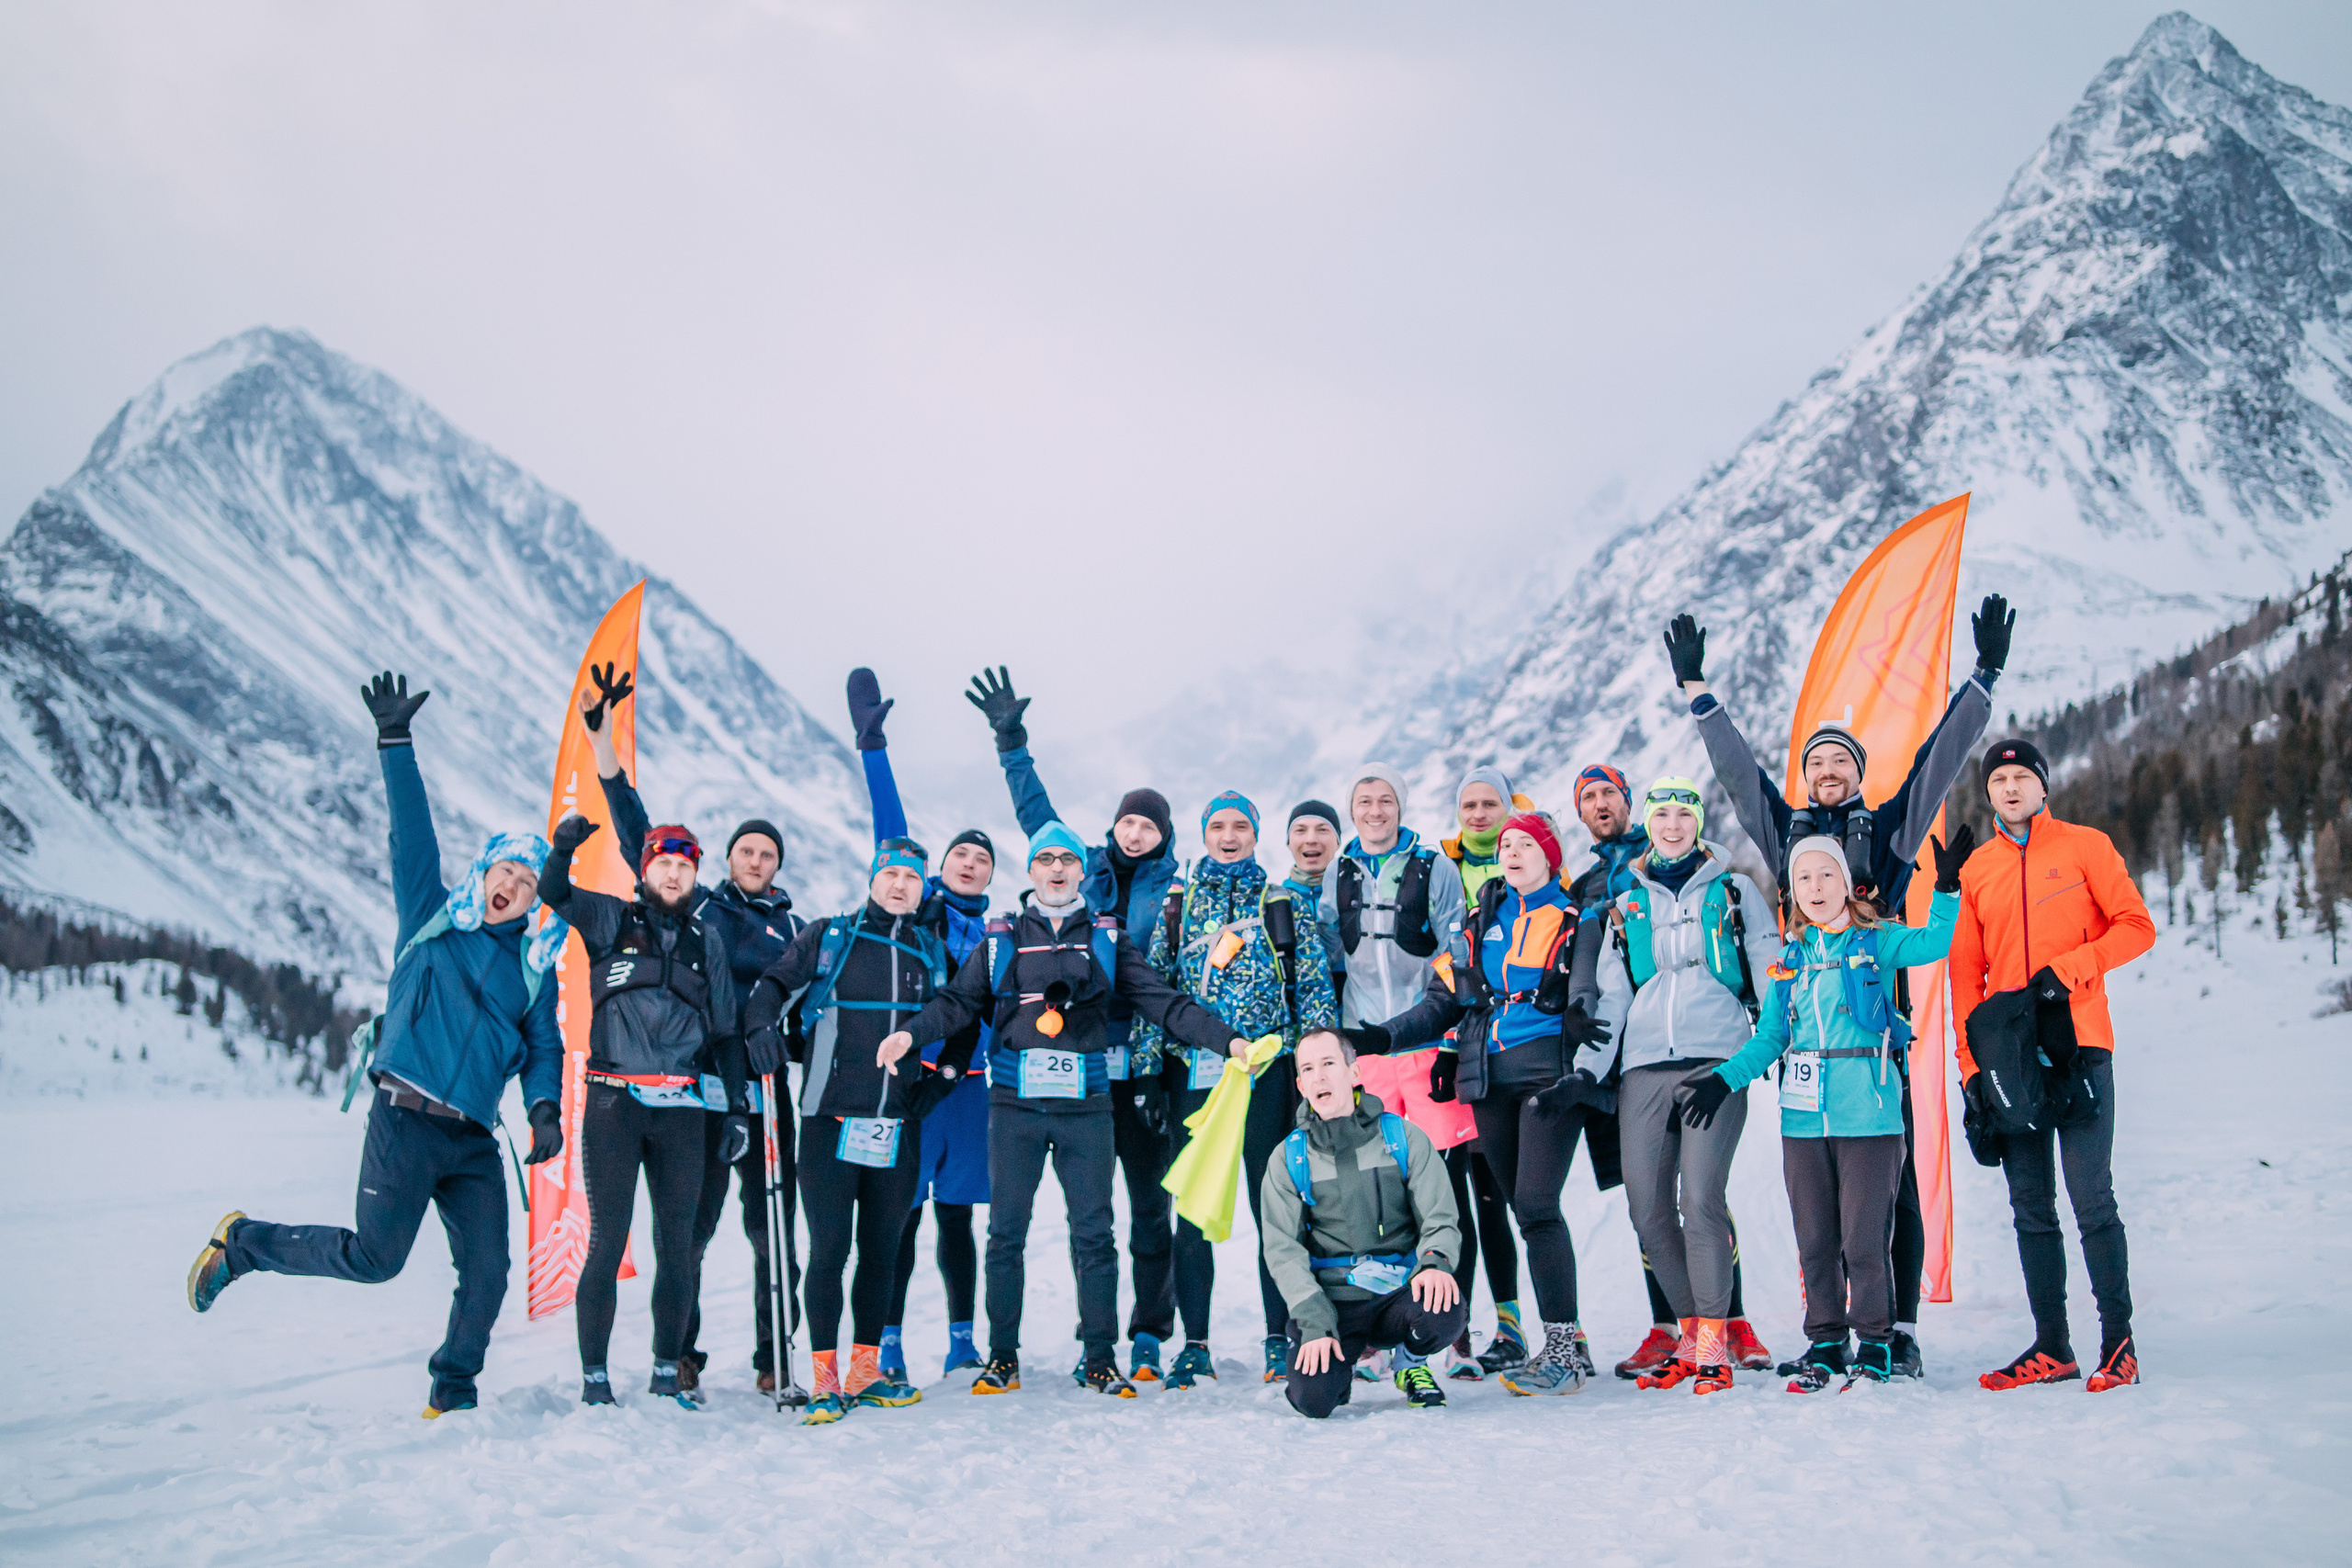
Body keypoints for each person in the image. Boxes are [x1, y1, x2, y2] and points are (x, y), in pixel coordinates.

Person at [186, 672, 566, 1421]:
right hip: (404, 1117)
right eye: (505, 871)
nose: (512, 887)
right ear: (484, 871)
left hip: (472, 1140)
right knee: (375, 1258)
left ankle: (452, 1389)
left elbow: (542, 1044)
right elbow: (411, 834)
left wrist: (545, 1106)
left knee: (487, 1273)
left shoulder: (534, 965)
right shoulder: (430, 918)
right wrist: (396, 741)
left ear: (533, 898)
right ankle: (243, 1244)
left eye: (526, 882)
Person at [1665, 594, 2013, 1378]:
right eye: (1816, 764)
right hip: (1805, 1023)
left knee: (1891, 1192)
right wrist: (1698, 692)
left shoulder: (1887, 828)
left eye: (1840, 765)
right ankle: (1832, 1328)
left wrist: (1983, 676)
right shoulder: (1784, 830)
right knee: (1822, 1208)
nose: (1826, 774)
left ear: (1857, 775)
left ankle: (1896, 1328)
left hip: (1875, 1017)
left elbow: (1940, 759)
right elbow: (1736, 770)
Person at [877, 821, 1249, 1398]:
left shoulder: (1107, 938)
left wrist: (1227, 1041)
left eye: (1066, 860)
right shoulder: (1001, 937)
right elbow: (956, 1002)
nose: (1055, 869)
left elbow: (1162, 1002)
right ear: (1030, 871)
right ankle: (1003, 1359)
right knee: (1005, 1235)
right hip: (1016, 1105)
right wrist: (909, 1034)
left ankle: (1099, 1359)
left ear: (1082, 871)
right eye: (1044, 859)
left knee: (1094, 1235)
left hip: (1086, 1109)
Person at [577, 663, 805, 1396]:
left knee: (765, 1229)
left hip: (756, 1085)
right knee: (691, 1232)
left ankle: (774, 1355)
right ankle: (682, 1354)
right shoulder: (696, 907)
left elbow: (805, 999)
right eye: (747, 851)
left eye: (769, 855)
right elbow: (636, 831)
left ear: (777, 870)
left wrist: (791, 1042)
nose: (758, 861)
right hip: (686, 1085)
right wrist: (602, 742)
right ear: (729, 860)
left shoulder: (793, 929)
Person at [1683, 829, 1968, 1391]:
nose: (1815, 887)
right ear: (1792, 892)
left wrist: (1948, 887)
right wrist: (1723, 1080)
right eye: (1803, 879)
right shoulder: (1789, 961)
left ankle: (1877, 1342)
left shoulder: (1877, 940)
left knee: (1863, 1239)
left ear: (1846, 884)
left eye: (1825, 876)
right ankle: (1827, 1342)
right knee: (1815, 1238)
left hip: (1870, 1113)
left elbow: (1935, 943)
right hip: (1804, 1120)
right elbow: (1769, 1039)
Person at [967, 666, 1181, 1382]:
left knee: (1141, 1209)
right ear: (1115, 826)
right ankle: (1012, 1350)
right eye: (1129, 820)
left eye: (1151, 824)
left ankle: (1144, 1335)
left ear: (1164, 835)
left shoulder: (1172, 890)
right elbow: (1037, 818)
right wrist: (1012, 745)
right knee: (1025, 1225)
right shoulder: (1080, 867)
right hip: (1070, 1059)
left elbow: (1165, 986)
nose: (1138, 832)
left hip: (1138, 1062)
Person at [1357, 811, 1614, 1395]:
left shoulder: (1578, 920)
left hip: (1548, 1079)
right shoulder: (1479, 920)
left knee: (1537, 1204)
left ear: (1551, 855)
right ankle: (1566, 1338)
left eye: (1527, 843)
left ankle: (1564, 1352)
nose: (1514, 852)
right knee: (1522, 1211)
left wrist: (1579, 1025)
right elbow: (1442, 1003)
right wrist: (1383, 1037)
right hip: (1488, 1082)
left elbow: (1587, 991)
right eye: (1507, 845)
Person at [741, 833, 970, 1424]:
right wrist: (761, 1030)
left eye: (912, 879)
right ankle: (824, 1378)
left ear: (924, 889)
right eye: (891, 874)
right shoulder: (828, 937)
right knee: (829, 1252)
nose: (900, 886)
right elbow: (771, 988)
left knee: (882, 1252)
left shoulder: (929, 948)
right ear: (872, 878)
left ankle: (866, 1372)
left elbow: (964, 1015)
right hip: (828, 1121)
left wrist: (941, 1079)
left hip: (897, 1126)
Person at [1949, 739, 2156, 1393]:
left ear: (2043, 786)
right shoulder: (1977, 868)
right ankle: (2052, 1345)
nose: (2009, 788)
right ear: (1988, 793)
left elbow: (2136, 925)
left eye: (2021, 777)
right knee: (2030, 1204)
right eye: (1998, 779)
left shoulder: (2085, 846)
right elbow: (1965, 979)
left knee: (2091, 1194)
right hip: (2010, 1058)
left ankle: (2117, 1343)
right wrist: (1970, 1072)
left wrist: (2067, 971)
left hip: (2080, 1044)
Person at [538, 788, 746, 1410]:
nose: (674, 872)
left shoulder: (707, 939)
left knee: (677, 1245)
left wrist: (734, 1107)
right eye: (663, 862)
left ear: (695, 874)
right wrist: (564, 848)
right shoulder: (612, 918)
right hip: (613, 1102)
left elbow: (727, 1033)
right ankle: (595, 1375)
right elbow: (555, 894)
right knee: (609, 1238)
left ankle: (665, 1367)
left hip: (683, 1107)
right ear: (645, 869)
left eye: (685, 864)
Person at [1565, 761, 1770, 1378]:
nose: (1673, 824)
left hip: (1715, 1061)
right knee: (1647, 1208)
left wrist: (1763, 1057)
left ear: (1699, 824)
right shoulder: (1627, 904)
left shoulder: (1735, 893)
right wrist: (1585, 1069)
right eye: (1663, 814)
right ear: (1649, 825)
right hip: (1645, 1067)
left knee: (1701, 1199)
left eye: (1685, 813)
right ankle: (1690, 1333)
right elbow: (1613, 997)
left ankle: (1714, 1346)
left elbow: (1770, 974)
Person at [1132, 789, 1342, 1387]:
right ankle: (1194, 1343)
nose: (1229, 835)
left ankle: (1281, 1338)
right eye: (1218, 826)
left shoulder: (1281, 900)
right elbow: (1156, 993)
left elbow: (1313, 996)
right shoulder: (1180, 904)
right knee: (1193, 1216)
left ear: (1256, 835)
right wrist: (1148, 1073)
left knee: (1274, 1208)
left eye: (1240, 826)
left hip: (1268, 1075)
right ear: (1204, 834)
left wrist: (1318, 1079)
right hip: (1194, 1076)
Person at [846, 668, 996, 1382]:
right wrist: (874, 749)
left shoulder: (1000, 931)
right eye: (960, 854)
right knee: (898, 1217)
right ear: (942, 867)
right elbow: (889, 835)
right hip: (905, 1084)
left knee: (959, 1218)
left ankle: (963, 1339)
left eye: (982, 857)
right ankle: (891, 1339)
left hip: (968, 1089)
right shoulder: (920, 909)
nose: (969, 862)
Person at [1262, 1030, 1467, 1418]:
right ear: (1301, 1085)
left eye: (1328, 1064)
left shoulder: (1401, 1137)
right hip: (1334, 1305)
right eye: (1308, 1069)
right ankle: (1341, 1372)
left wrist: (1435, 1261)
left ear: (1354, 1072)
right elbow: (1282, 1251)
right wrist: (1315, 1321)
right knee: (1313, 1400)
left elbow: (1439, 1215)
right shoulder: (1288, 1158)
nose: (1319, 1076)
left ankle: (1410, 1363)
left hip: (1398, 1295)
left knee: (1445, 1309)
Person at [1425, 766, 1529, 1381]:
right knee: (1451, 1192)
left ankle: (1511, 1320)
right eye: (1470, 803)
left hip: (1505, 1045)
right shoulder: (1442, 866)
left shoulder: (1531, 857)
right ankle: (1456, 1325)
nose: (1480, 813)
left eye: (1491, 802)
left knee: (1500, 1190)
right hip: (1453, 1039)